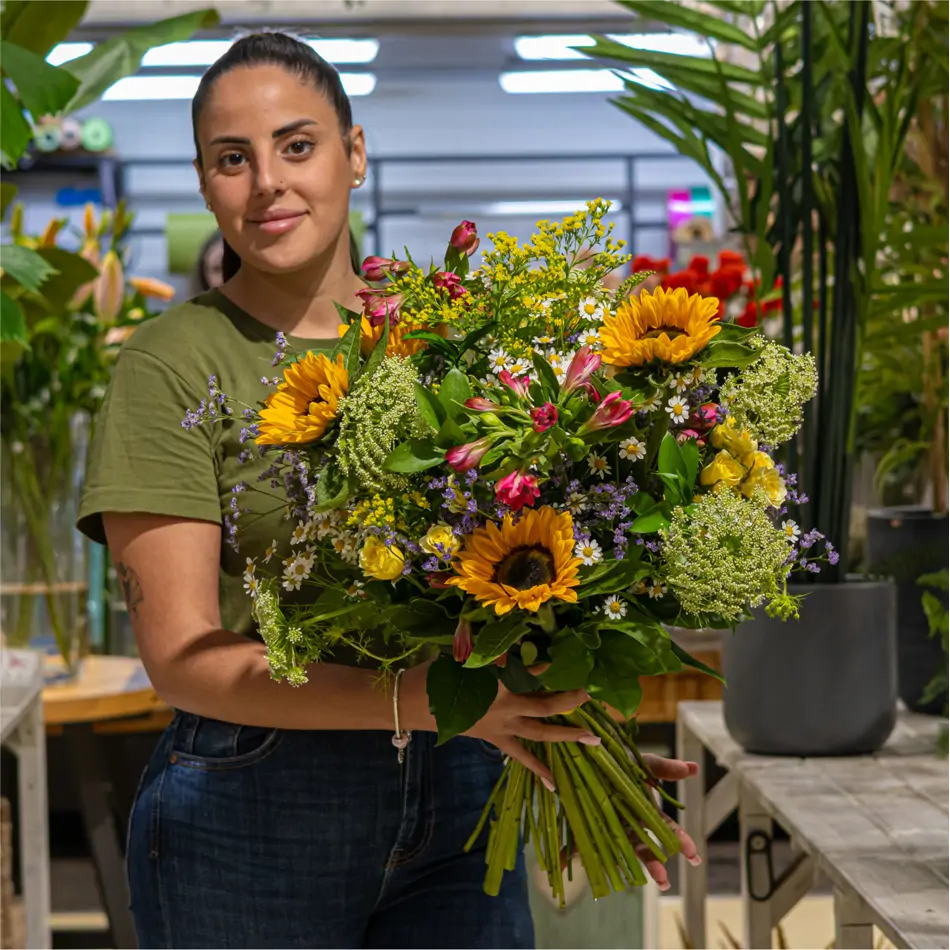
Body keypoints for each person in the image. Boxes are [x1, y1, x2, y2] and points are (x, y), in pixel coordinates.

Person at [77, 32, 700, 950]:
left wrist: (573, 730)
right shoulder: (172, 365)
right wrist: (426, 698)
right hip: (249, 813)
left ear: (354, 153)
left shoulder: (456, 338)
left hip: (463, 796)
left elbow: (535, 569)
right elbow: (181, 657)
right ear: (207, 183)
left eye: (298, 145)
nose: (268, 184)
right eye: (232, 159)